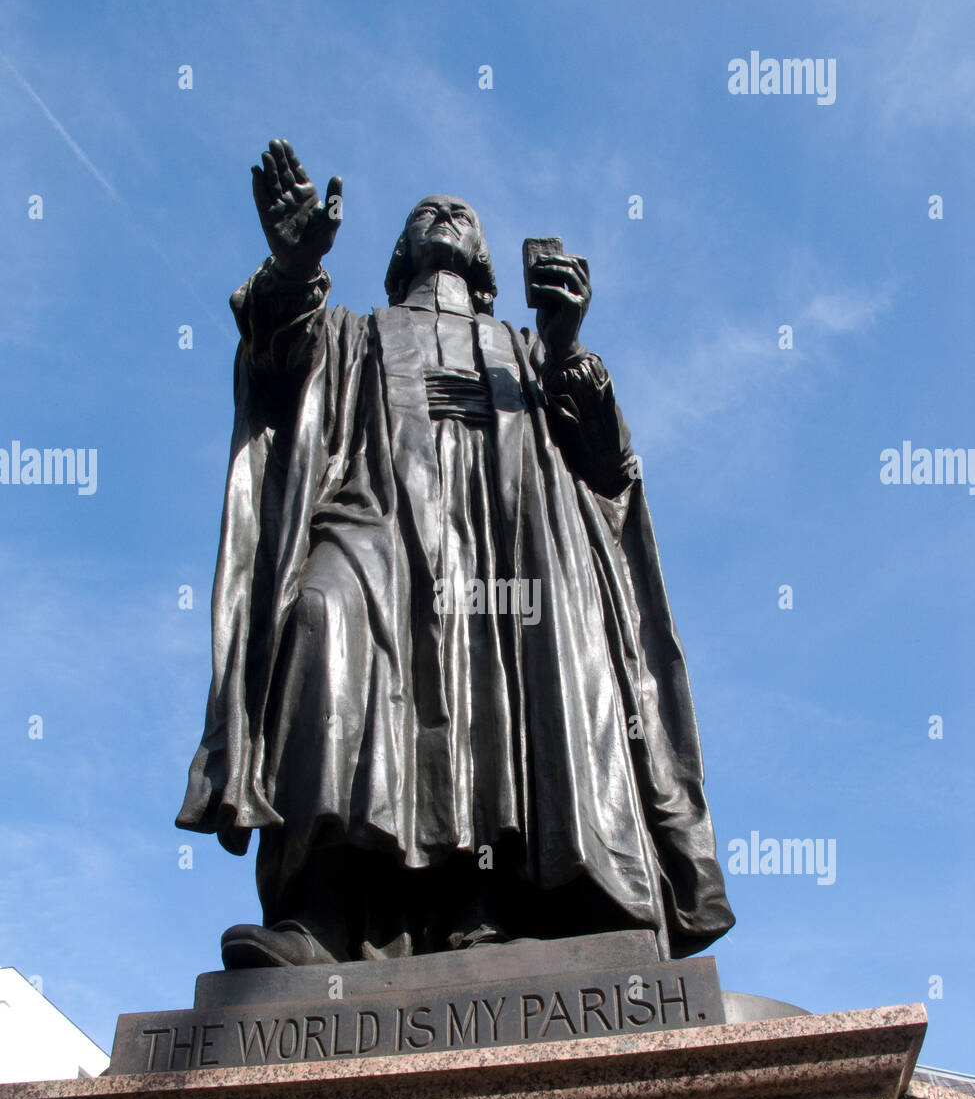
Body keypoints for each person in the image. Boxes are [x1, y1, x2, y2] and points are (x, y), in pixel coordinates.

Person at [176, 139, 734, 968]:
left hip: (512, 550)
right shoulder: (351, 333)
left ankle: (500, 906)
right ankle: (321, 912)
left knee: (520, 660)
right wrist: (290, 270)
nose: (446, 215)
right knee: (322, 618)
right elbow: (273, 356)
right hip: (373, 533)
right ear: (399, 257)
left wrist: (568, 348)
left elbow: (607, 474)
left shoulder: (527, 350)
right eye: (426, 216)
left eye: (463, 216)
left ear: (486, 267)